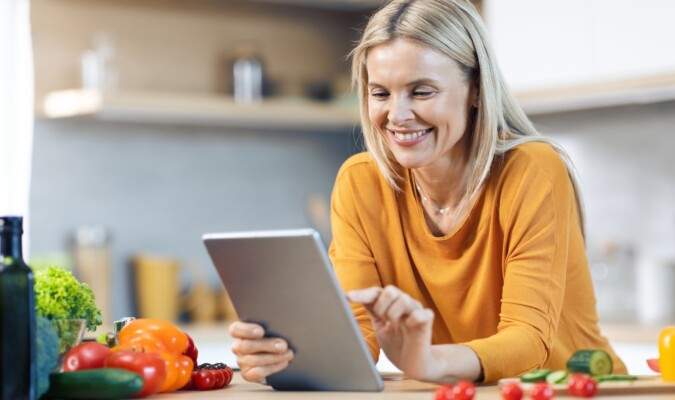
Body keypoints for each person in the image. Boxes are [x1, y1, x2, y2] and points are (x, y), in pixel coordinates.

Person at [229, 0, 626, 384]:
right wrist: (286, 355)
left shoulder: (532, 171)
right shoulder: (360, 184)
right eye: (380, 93)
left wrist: (432, 362)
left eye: (421, 91)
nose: (397, 116)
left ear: (475, 90)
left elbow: (528, 342)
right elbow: (358, 337)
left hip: (576, 389)